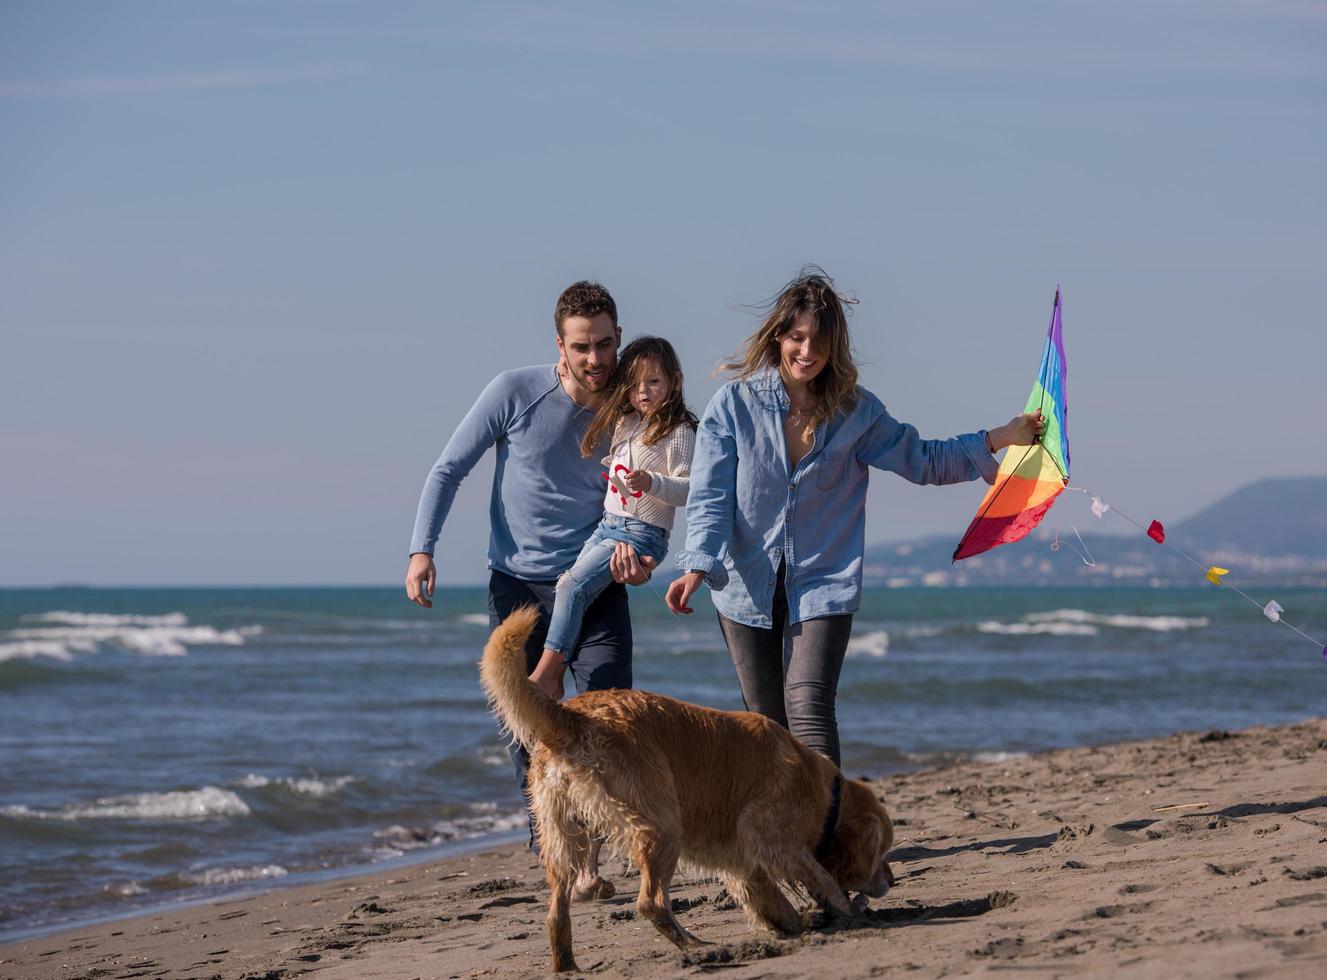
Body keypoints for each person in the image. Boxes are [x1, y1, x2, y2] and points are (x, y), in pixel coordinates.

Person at [665, 267, 1043, 768]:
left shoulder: (857, 414)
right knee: (766, 726)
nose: (806, 352)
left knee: (810, 708)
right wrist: (696, 564)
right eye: (797, 338)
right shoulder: (733, 406)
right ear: (779, 336)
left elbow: (923, 459)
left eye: (818, 342)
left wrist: (1000, 436)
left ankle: (832, 835)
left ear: (834, 345)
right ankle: (785, 840)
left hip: (824, 580)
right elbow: (712, 494)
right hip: (742, 582)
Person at [404, 280, 655, 895]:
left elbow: (658, 489)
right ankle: (555, 852)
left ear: (619, 337)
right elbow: (448, 469)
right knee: (526, 723)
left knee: (606, 719)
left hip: (595, 584)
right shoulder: (514, 391)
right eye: (581, 348)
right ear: (560, 346)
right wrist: (421, 548)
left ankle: (589, 864)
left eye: (603, 344)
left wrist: (643, 558)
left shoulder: (637, 401)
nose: (595, 360)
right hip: (516, 585)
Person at [529, 337, 697, 700]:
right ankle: (566, 670)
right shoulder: (628, 421)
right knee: (572, 588)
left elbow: (689, 490)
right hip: (609, 524)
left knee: (571, 586)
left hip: (642, 533)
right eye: (635, 385)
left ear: (675, 381)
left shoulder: (679, 431)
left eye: (653, 382)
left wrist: (652, 482)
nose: (643, 392)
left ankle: (548, 675)